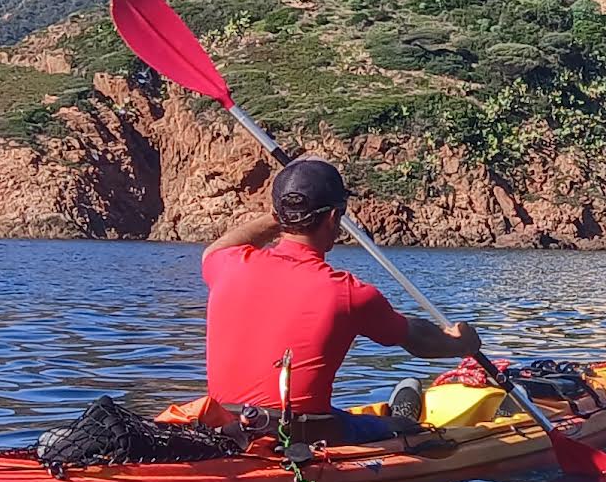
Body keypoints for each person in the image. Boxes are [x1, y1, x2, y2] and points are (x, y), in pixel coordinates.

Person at [193, 157, 480, 443]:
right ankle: (403, 420)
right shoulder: (348, 292)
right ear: (333, 218)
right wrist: (460, 344)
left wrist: (285, 214)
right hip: (301, 434)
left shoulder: (227, 264)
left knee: (344, 417)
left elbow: (218, 248)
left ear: (278, 214)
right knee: (407, 430)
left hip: (224, 425)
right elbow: (417, 338)